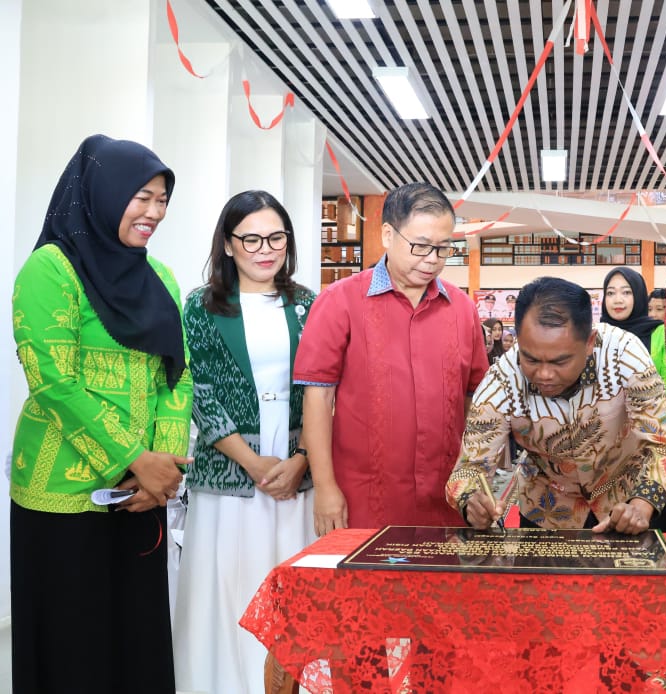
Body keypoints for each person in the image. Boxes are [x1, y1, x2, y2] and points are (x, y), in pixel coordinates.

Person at [10, 134, 193, 693]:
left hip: (143, 492)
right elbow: (53, 382)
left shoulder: (158, 277)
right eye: (142, 196)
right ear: (105, 193)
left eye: (162, 200)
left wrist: (163, 468)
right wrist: (134, 459)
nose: (154, 212)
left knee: (135, 638)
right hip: (63, 492)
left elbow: (175, 373)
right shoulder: (51, 269)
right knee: (73, 643)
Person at [173, 191, 317, 694]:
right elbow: (200, 392)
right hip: (230, 473)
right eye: (250, 238)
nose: (265, 248)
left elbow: (329, 390)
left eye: (276, 236)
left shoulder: (307, 304)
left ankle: (285, 684)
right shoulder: (201, 305)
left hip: (298, 471)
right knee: (229, 584)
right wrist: (256, 465)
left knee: (291, 584)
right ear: (229, 245)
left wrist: (301, 460)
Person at [295, 182, 489, 533]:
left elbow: (476, 400)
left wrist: (476, 481)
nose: (431, 260)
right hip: (364, 498)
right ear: (388, 234)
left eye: (443, 248)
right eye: (420, 246)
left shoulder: (462, 309)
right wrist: (325, 488)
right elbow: (318, 397)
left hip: (446, 500)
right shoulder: (340, 301)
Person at [447, 276, 666, 533]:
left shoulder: (624, 355)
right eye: (531, 359)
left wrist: (641, 505)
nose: (544, 374)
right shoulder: (502, 377)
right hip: (545, 509)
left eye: (560, 362)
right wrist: (470, 501)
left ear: (590, 343)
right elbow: (469, 467)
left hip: (625, 500)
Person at [601, 267, 666, 530]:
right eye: (610, 293)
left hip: (649, 442)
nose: (617, 300)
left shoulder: (658, 333)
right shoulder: (595, 335)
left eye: (626, 292)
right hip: (605, 448)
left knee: (644, 524)